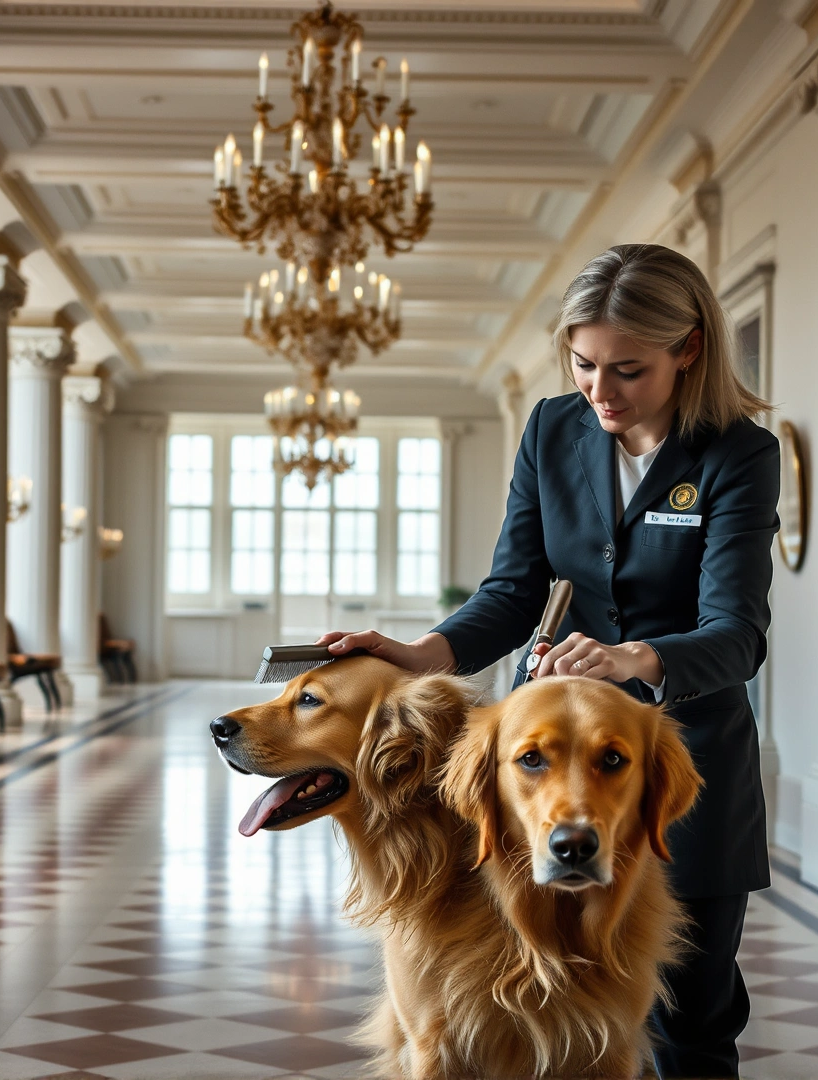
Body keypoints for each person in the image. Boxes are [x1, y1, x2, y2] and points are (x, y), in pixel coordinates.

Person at [317, 243, 779, 1077]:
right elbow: (514, 588)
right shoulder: (552, 427)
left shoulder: (737, 455)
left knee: (694, 1020)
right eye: (583, 364)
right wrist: (423, 653)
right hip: (546, 777)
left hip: (677, 776)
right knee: (540, 1022)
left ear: (690, 350)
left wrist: (631, 659)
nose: (600, 392)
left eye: (628, 370)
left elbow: (736, 636)